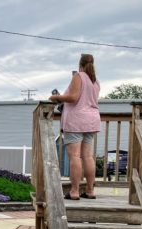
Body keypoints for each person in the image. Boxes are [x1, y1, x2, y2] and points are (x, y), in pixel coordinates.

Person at [49, 53, 101, 200]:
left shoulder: (79, 76)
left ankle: (74, 191)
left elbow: (73, 97)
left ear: (80, 64)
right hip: (91, 120)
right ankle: (90, 191)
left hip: (76, 120)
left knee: (75, 157)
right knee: (88, 157)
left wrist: (56, 97)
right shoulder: (95, 81)